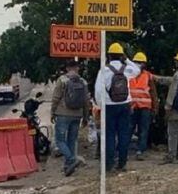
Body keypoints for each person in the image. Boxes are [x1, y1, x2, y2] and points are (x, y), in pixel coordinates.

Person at [94, 43, 139, 171]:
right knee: (124, 134)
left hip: (109, 106)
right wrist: (127, 59)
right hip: (125, 104)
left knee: (109, 135)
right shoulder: (127, 69)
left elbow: (98, 91)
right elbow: (137, 70)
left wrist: (100, 105)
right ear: (121, 56)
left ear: (109, 55)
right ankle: (122, 163)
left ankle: (109, 164)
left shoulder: (104, 70)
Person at [51, 60, 92, 175]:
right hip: (77, 115)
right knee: (71, 140)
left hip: (63, 114)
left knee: (60, 141)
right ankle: (68, 167)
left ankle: (71, 160)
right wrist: (85, 117)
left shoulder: (62, 80)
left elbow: (55, 98)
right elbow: (86, 101)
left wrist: (52, 112)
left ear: (67, 68)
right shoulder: (83, 82)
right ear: (77, 68)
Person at [129, 52, 159, 160]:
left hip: (145, 107)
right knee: (129, 129)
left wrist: (155, 107)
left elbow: (153, 92)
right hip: (132, 107)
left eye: (139, 62)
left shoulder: (148, 76)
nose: (137, 64)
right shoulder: (129, 74)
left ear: (144, 64)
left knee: (143, 129)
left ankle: (140, 151)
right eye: (136, 62)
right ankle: (124, 150)